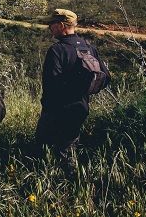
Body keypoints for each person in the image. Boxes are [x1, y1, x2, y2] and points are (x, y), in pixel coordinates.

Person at [35, 9, 109, 175]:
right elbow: (106, 78)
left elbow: (50, 85)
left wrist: (47, 107)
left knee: (43, 148)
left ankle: (48, 183)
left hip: (56, 110)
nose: (50, 28)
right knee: (68, 147)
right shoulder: (89, 48)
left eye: (52, 24)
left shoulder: (57, 50)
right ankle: (73, 183)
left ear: (61, 25)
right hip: (80, 108)